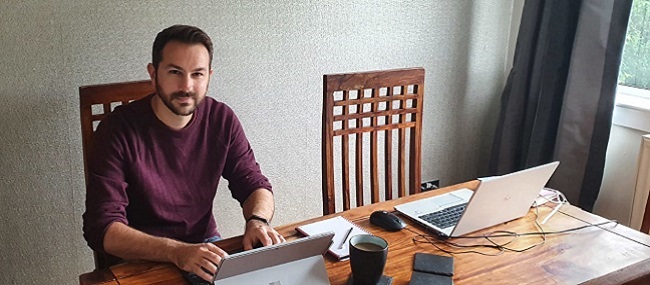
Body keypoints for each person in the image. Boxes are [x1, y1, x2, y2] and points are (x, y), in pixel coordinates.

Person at [82, 25, 285, 282]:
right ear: (153, 74)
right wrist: (176, 251)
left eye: (197, 74)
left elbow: (254, 184)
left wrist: (258, 221)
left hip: (203, 245)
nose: (186, 86)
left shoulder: (222, 119)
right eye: (175, 72)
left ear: (209, 76)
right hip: (140, 257)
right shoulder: (117, 129)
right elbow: (101, 227)